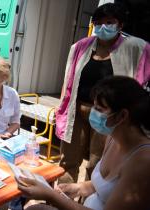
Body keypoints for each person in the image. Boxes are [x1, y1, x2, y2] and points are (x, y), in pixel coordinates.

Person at [17, 76, 150, 210]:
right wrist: (78, 188)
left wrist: (51, 196)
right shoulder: (113, 138)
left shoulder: (143, 162)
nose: (93, 112)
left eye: (99, 109)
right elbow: (103, 186)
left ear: (122, 116)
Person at [55, 3, 150, 184]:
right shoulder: (81, 47)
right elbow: (68, 81)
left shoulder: (135, 47)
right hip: (78, 113)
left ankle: (88, 203)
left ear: (120, 25)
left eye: (109, 22)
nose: (103, 27)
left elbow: (140, 81)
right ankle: (61, 201)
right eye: (98, 22)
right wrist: (62, 108)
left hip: (108, 117)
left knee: (97, 165)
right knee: (68, 161)